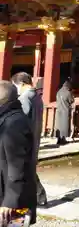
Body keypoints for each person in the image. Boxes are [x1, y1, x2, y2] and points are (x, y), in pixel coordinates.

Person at [0, 81, 37, 226]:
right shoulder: (6, 117)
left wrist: (11, 200)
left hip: (13, 199)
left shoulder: (15, 122)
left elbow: (18, 165)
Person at [11, 72, 47, 207]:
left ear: (21, 84)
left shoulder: (24, 99)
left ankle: (37, 196)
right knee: (29, 169)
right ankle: (39, 196)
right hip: (34, 136)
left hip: (25, 139)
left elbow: (21, 121)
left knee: (24, 170)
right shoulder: (38, 97)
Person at [54, 80, 74, 145]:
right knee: (64, 125)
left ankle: (58, 139)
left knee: (58, 125)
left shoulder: (58, 92)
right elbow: (71, 100)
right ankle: (63, 139)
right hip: (65, 110)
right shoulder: (68, 92)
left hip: (58, 110)